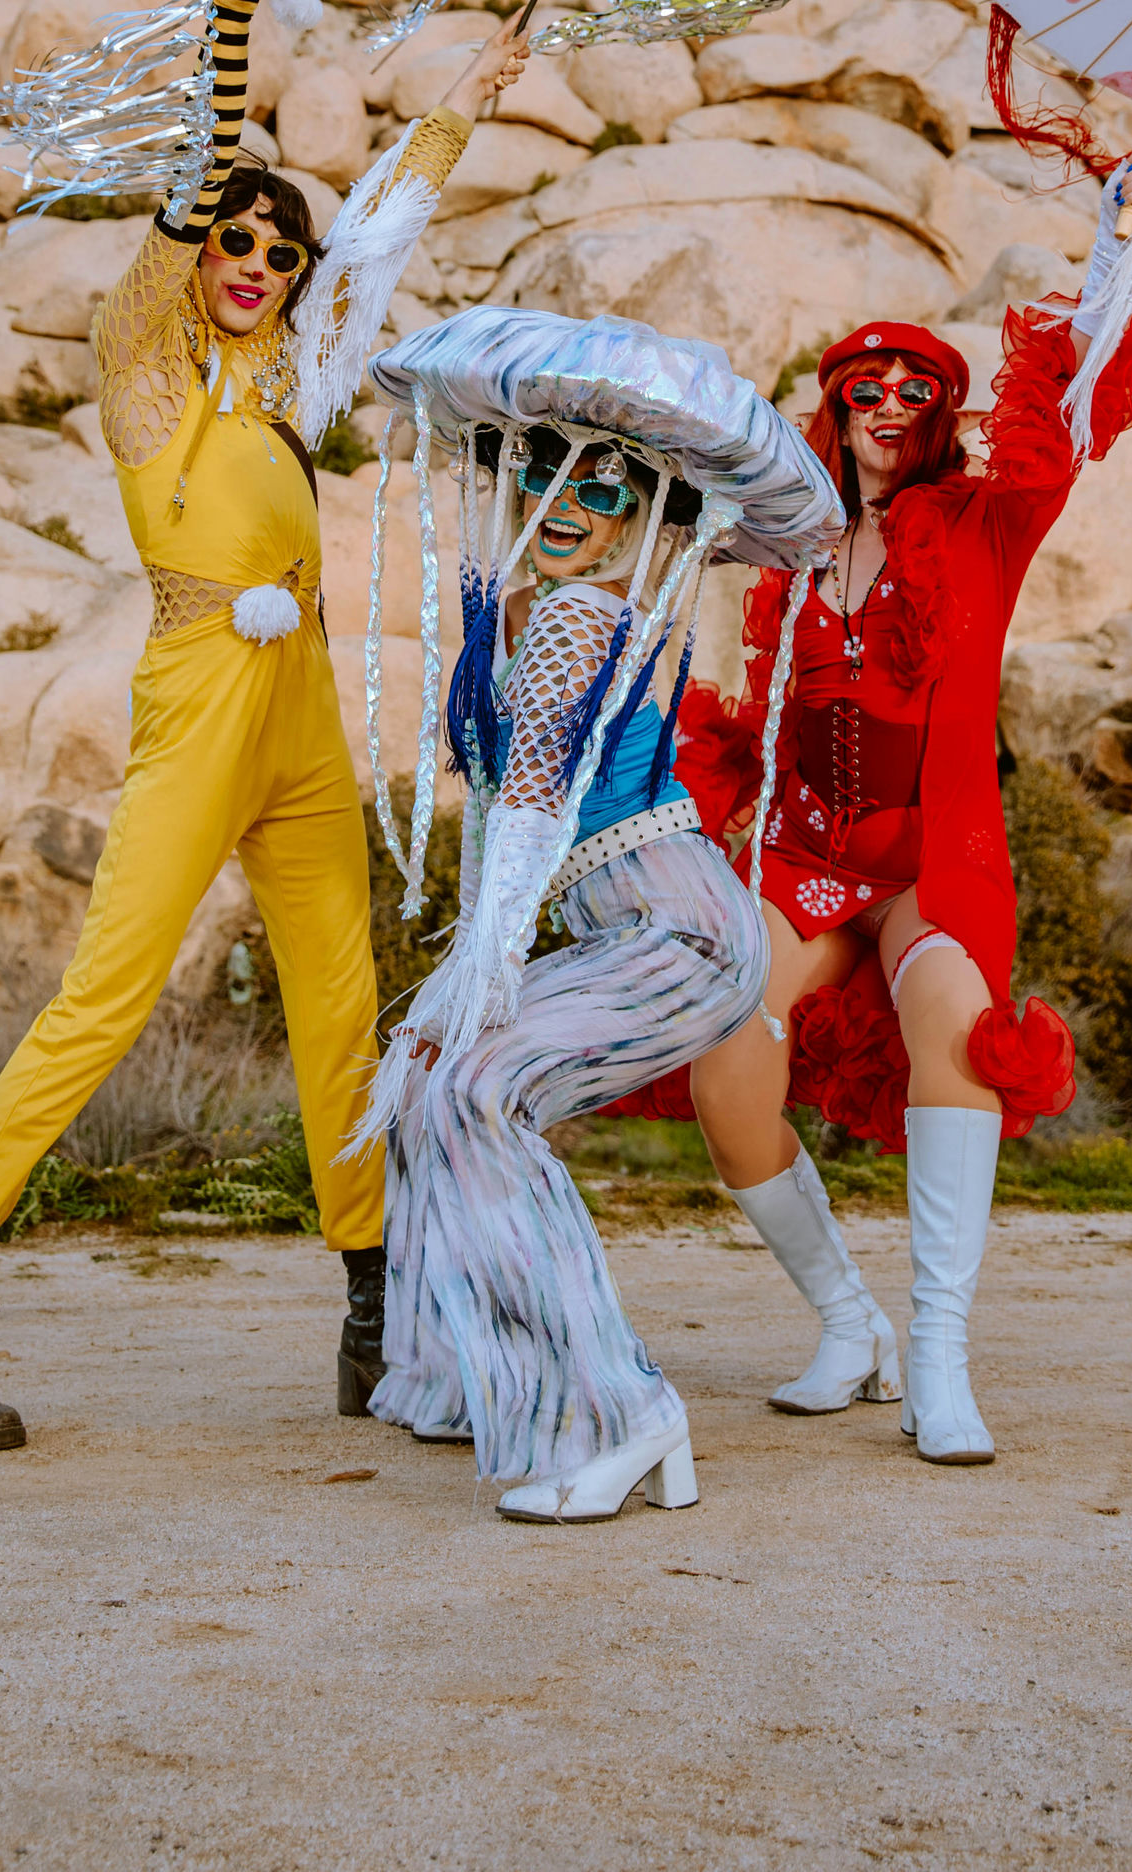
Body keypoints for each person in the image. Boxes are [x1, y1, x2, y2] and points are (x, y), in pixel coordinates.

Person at [0, 0, 529, 1451]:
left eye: (280, 254)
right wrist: (230, 23)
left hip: (301, 719)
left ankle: (374, 1324)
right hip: (201, 694)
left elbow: (384, 232)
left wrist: (474, 92)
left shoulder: (291, 383)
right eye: (239, 239)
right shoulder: (146, 368)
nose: (257, 263)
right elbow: (186, 192)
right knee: (102, 1006)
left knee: (340, 1021)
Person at [622, 161, 1132, 1464]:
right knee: (725, 1067)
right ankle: (847, 1322)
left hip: (934, 858)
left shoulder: (984, 526)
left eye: (916, 390)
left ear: (942, 417)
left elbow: (1074, 404)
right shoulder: (791, 539)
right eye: (864, 387)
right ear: (834, 407)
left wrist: (1116, 244)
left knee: (957, 1033)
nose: (886, 406)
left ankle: (938, 1360)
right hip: (806, 854)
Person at [350, 307, 841, 1523]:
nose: (566, 501)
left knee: (474, 1089)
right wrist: (464, 984)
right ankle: (466, 1375)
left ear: (647, 517)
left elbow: (525, 815)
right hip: (630, 924)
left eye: (606, 485)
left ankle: (615, 1414)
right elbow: (495, 822)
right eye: (542, 468)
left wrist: (484, 968)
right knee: (426, 1073)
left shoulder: (578, 617)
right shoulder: (522, 607)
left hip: (677, 929)